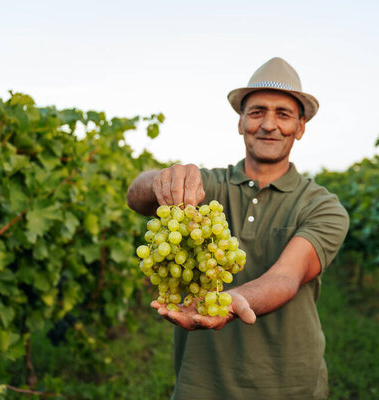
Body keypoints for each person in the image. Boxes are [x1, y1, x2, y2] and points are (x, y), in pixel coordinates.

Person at [126, 57, 349, 400]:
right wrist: (160, 179)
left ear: (300, 127)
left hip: (290, 386)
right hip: (200, 385)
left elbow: (286, 278)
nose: (269, 124)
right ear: (241, 121)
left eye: (284, 114)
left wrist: (235, 301)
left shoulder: (323, 206)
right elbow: (137, 196)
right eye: (257, 111)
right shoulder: (206, 187)